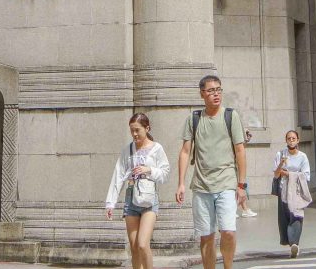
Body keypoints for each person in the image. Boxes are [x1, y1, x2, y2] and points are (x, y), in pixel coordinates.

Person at [176, 75, 247, 269]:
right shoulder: (194, 119)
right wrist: (181, 183)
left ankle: (228, 266)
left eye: (218, 90)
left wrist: (241, 185)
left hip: (226, 183)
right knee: (206, 236)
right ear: (202, 94)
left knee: (228, 231)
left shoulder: (230, 116)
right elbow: (185, 151)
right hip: (201, 186)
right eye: (211, 90)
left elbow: (240, 150)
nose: (216, 94)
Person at [105, 113, 171, 269]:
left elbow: (165, 173)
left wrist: (149, 170)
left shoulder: (157, 148)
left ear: (147, 128)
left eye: (137, 130)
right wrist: (110, 203)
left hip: (149, 200)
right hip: (131, 198)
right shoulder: (127, 149)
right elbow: (118, 175)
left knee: (142, 244)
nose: (134, 134)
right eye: (132, 131)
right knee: (134, 247)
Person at [272, 130, 312, 258]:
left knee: (297, 216)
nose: (291, 140)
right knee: (286, 218)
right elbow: (276, 174)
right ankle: (291, 244)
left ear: (298, 140)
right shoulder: (280, 154)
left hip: (297, 192)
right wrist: (281, 164)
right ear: (286, 141)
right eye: (289, 138)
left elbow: (306, 176)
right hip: (283, 190)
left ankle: (295, 244)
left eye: (293, 138)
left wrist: (289, 174)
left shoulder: (303, 157)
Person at [239, 129, 258, 218]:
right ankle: (244, 209)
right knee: (239, 186)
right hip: (230, 165)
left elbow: (241, 148)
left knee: (242, 186)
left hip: (237, 164)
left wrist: (245, 140)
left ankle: (245, 208)